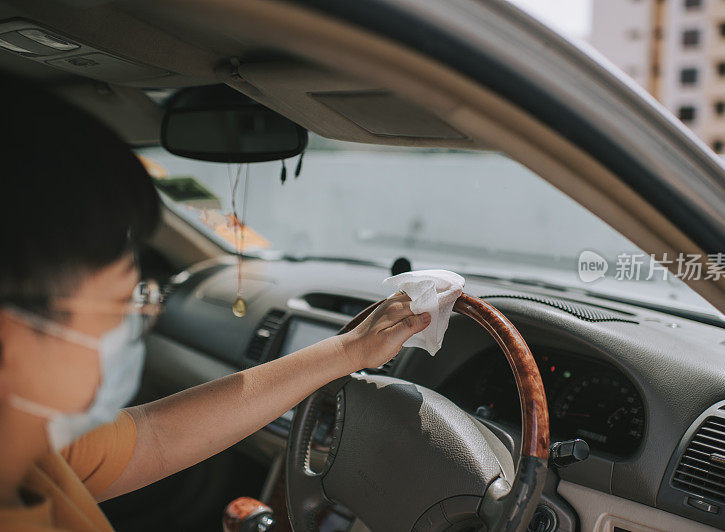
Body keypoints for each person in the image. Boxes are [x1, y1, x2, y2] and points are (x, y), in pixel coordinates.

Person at [0, 79, 431, 531]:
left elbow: (152, 437)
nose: (130, 328)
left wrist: (347, 352)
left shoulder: (28, 442)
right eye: (118, 306)